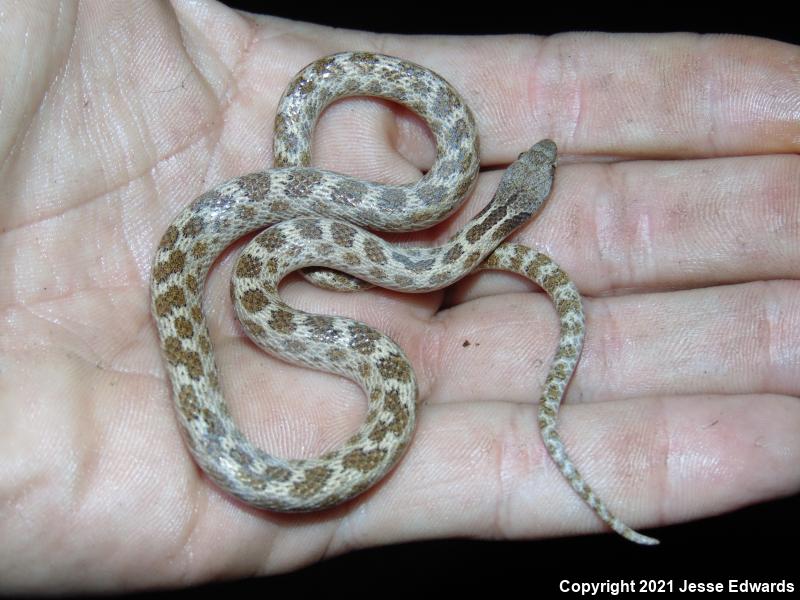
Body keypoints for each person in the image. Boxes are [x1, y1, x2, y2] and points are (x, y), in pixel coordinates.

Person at [1, 2, 798, 592]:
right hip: (275, 266)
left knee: (367, 309)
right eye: (533, 170)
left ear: (514, 195)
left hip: (365, 253)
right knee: (279, 285)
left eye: (530, 174)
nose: (531, 162)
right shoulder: (250, 274)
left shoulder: (439, 222)